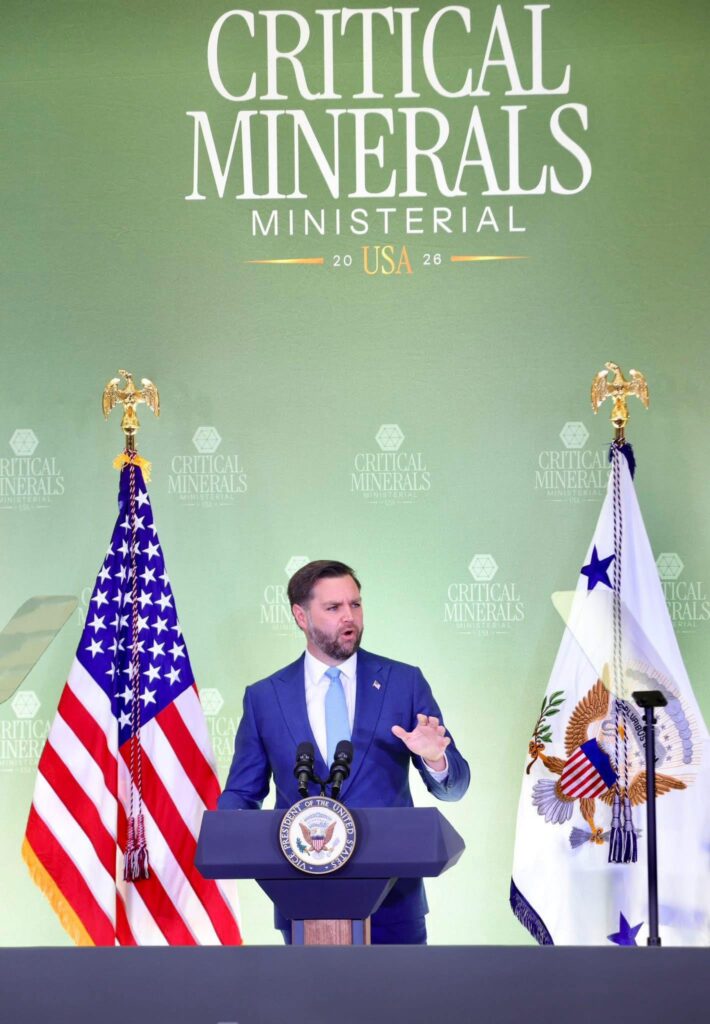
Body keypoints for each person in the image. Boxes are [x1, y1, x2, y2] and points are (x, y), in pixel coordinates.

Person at [219, 559, 470, 944]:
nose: (349, 616)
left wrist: (435, 758)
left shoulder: (403, 683)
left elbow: (454, 788)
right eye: (333, 607)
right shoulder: (265, 697)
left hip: (394, 904)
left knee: (401, 989)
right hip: (301, 901)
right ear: (301, 616)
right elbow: (242, 792)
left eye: (355, 604)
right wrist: (225, 832)